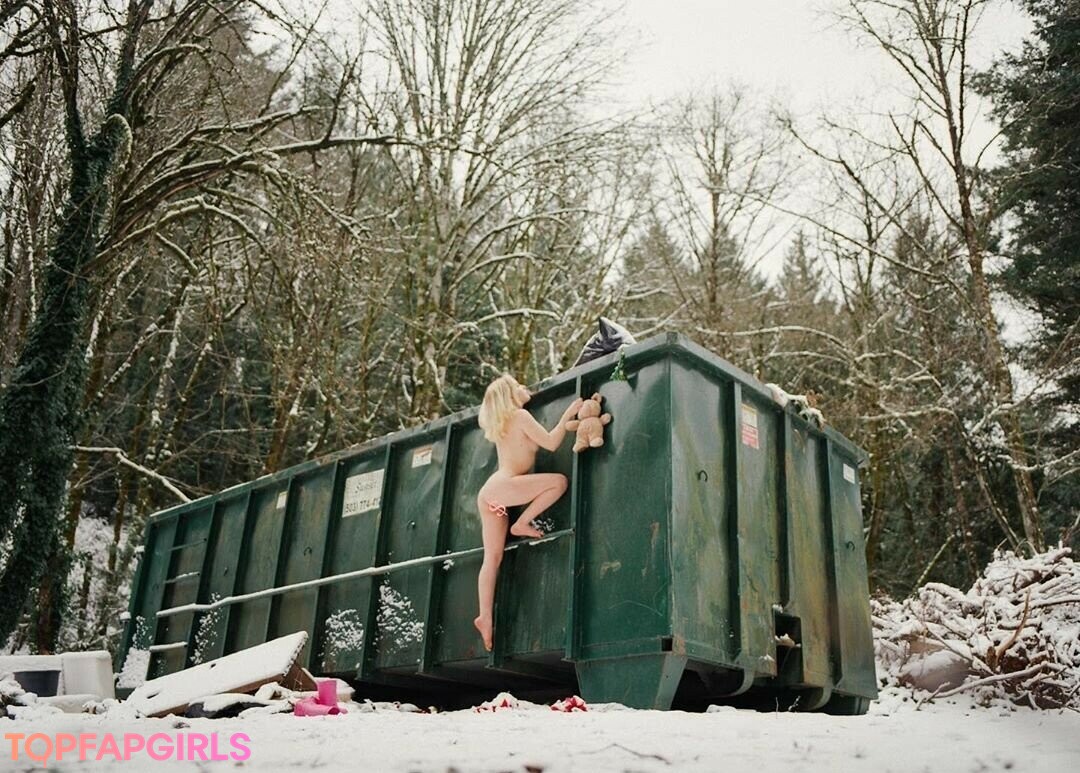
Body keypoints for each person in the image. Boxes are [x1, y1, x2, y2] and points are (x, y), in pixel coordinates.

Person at [472, 374, 582, 651]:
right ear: (510, 394)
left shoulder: (504, 422)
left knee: (492, 558)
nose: (524, 387)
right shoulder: (520, 416)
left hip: (492, 494)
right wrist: (569, 412)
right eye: (518, 385)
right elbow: (552, 442)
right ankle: (521, 522)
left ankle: (484, 617)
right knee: (559, 482)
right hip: (502, 488)